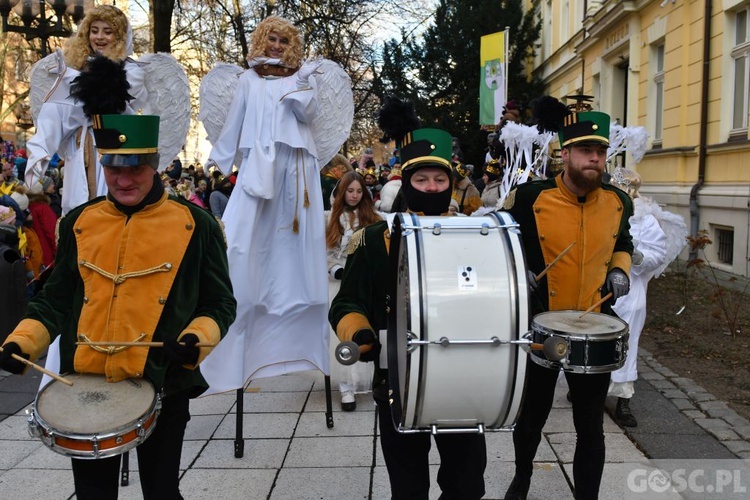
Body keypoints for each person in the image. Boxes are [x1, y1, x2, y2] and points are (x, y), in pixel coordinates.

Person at [0, 113, 236, 499]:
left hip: (163, 381)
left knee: (161, 493)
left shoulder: (197, 224)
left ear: (155, 164)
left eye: (137, 169)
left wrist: (197, 339)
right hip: (86, 385)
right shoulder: (80, 221)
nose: (124, 180)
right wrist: (22, 343)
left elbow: (220, 303)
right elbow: (55, 299)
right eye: (113, 168)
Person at [330, 100, 487, 499]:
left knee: (466, 485)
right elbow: (346, 304)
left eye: (439, 180)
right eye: (423, 181)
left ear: (450, 183)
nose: (432, 188)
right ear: (407, 184)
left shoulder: (477, 238)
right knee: (407, 486)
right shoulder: (371, 240)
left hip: (462, 379)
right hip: (398, 377)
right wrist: (362, 334)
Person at [501, 96, 633, 500]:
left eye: (600, 152)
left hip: (595, 324)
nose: (594, 159)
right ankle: (522, 478)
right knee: (532, 416)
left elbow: (623, 243)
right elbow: (502, 243)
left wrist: (619, 270)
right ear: (566, 153)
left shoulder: (618, 202)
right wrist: (515, 270)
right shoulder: (529, 198)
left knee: (590, 423)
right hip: (541, 322)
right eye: (586, 151)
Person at [200, 15, 330, 393]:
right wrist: (220, 158)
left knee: (296, 245)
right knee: (241, 242)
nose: (276, 46)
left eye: (282, 41)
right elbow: (236, 122)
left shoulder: (299, 77)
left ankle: (299, 335)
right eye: (270, 39)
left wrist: (302, 85)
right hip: (259, 168)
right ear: (262, 40)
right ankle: (237, 326)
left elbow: (308, 115)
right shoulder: (247, 80)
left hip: (296, 169)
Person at [24, 5, 150, 215]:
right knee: (77, 209)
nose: (99, 37)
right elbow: (56, 114)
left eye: (107, 31)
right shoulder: (74, 70)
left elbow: (106, 97)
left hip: (116, 149)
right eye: (94, 30)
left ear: (119, 37)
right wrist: (39, 152)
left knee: (112, 210)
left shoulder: (130, 71)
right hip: (80, 148)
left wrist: (71, 79)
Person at [607, 168, 685, 427]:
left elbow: (657, 254)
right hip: (598, 288)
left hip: (630, 292)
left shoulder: (645, 220)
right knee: (592, 339)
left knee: (626, 344)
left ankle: (623, 400)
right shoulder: (602, 210)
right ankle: (588, 388)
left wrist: (636, 256)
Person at [325, 171, 381, 411]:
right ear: (342, 192)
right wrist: (336, 270)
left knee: (367, 330)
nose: (355, 195)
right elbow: (324, 252)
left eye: (359, 191)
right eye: (350, 191)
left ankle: (368, 380)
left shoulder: (374, 218)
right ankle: (346, 385)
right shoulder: (330, 219)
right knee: (344, 332)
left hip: (364, 284)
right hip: (339, 283)